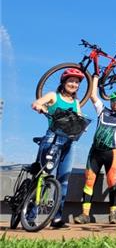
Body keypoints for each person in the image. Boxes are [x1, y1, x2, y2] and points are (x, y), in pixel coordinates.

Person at [73, 75, 116, 224]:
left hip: (112, 152)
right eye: (113, 100)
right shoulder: (103, 111)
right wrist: (96, 77)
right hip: (95, 152)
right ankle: (85, 214)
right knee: (89, 181)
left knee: (112, 181)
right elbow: (93, 95)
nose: (115, 103)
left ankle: (113, 213)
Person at [30, 68, 85, 228]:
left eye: (76, 82)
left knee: (63, 181)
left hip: (69, 143)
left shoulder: (76, 103)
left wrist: (82, 125)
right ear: (64, 82)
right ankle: (31, 215)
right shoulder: (54, 96)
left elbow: (80, 119)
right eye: (71, 81)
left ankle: (57, 217)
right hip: (52, 139)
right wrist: (40, 107)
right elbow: (37, 102)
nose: (73, 84)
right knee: (43, 176)